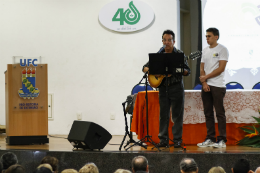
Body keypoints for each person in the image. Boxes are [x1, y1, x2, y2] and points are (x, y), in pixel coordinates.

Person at [142, 29, 190, 148]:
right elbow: (144, 68)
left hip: (176, 88)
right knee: (163, 115)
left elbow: (187, 71)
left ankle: (177, 140)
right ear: (162, 41)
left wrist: (176, 70)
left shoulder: (180, 54)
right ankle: (163, 139)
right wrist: (156, 72)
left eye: (169, 40)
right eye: (165, 40)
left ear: (174, 41)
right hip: (163, 88)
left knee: (177, 115)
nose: (167, 42)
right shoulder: (159, 55)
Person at [197, 27, 229, 148]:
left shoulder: (222, 49)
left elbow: (221, 69)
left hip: (218, 85)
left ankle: (222, 140)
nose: (207, 38)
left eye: (209, 36)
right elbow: (202, 68)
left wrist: (206, 78)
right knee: (208, 113)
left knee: (220, 113)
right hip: (207, 85)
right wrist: (204, 83)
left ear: (216, 37)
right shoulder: (205, 50)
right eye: (206, 36)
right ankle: (210, 138)